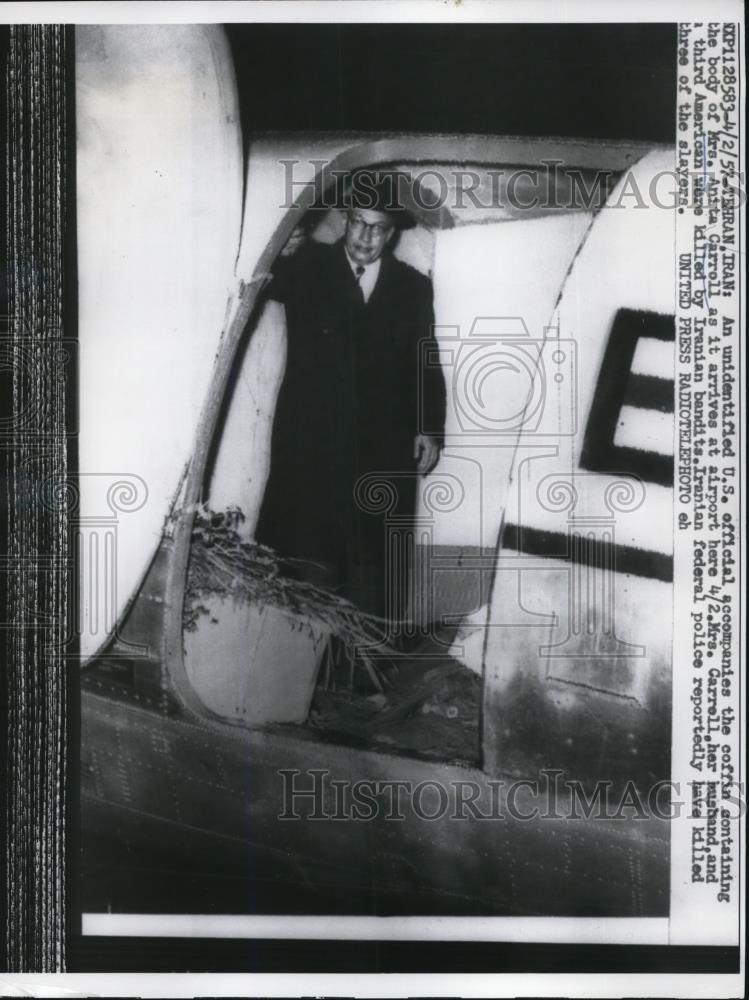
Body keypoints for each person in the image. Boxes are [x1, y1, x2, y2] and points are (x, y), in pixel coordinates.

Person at [254, 171, 447, 627]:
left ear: (393, 232)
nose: (366, 236)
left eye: (378, 227)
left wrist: (430, 427)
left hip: (382, 447)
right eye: (358, 222)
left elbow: (426, 360)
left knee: (372, 564)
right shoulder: (306, 267)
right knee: (304, 552)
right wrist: (275, 251)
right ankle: (290, 671)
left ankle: (361, 678)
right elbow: (256, 280)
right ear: (346, 219)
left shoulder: (412, 287)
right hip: (311, 442)